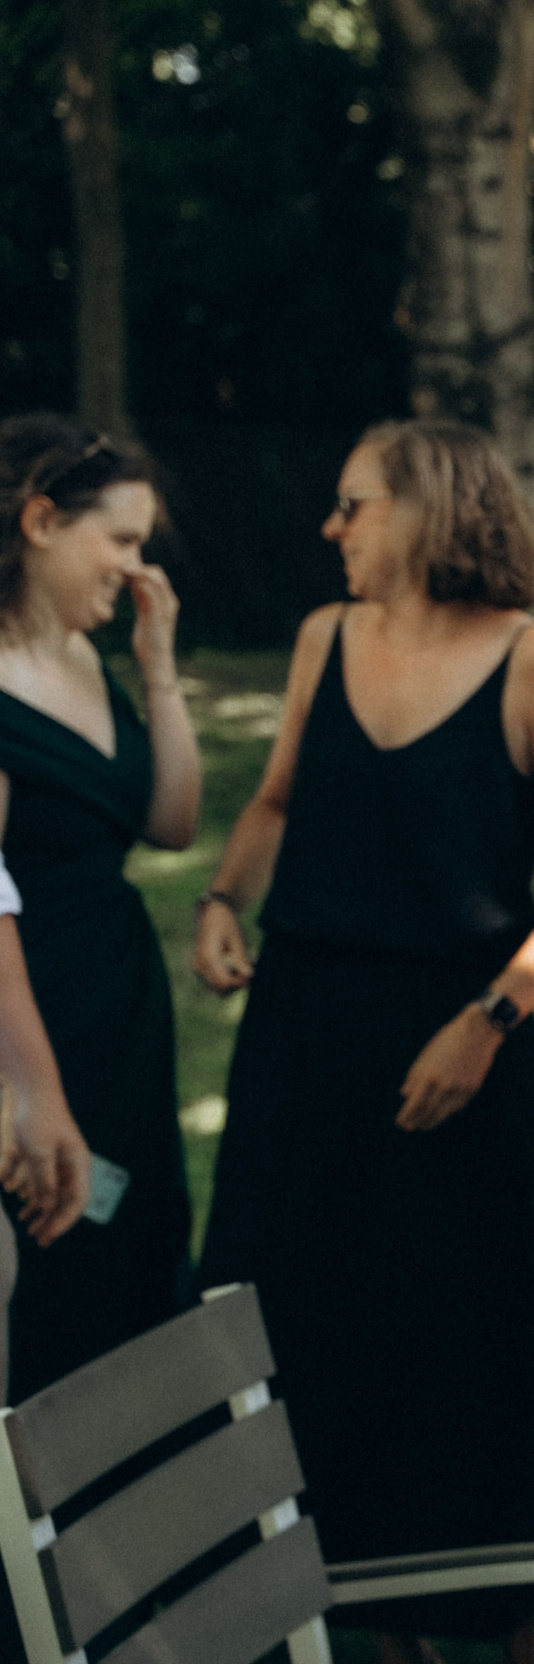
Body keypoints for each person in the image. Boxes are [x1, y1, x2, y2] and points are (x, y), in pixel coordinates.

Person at [193, 422, 534, 1664]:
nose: (335, 528)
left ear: (428, 511)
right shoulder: (325, 636)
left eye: (352, 504)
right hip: (302, 1032)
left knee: (461, 1344)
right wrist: (222, 894)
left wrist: (490, 1018)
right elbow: (272, 799)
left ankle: (527, 1650)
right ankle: (396, 1655)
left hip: (458, 1043)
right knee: (311, 1326)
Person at [0, 416, 195, 1400]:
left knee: (138, 1252)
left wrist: (157, 665)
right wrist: (38, 1091)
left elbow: (170, 820)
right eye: (118, 539)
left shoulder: (87, 658)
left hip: (122, 1007)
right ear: (41, 519)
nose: (134, 565)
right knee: (56, 1270)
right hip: (34, 1022)